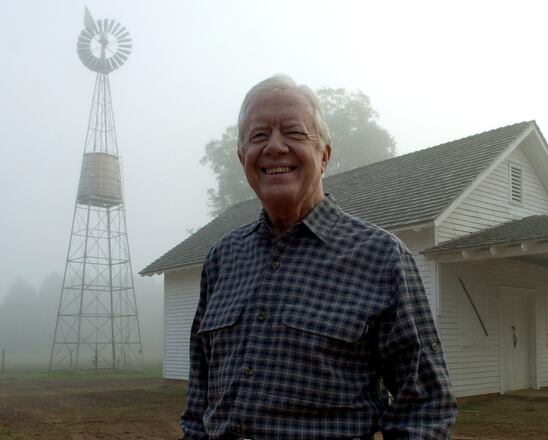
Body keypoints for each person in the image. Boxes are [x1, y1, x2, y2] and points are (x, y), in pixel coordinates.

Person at [181, 74, 457, 439]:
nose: (275, 147)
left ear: (324, 155)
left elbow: (425, 407)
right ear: (242, 157)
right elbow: (200, 396)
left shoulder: (381, 257)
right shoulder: (221, 260)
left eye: (294, 133)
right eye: (259, 135)